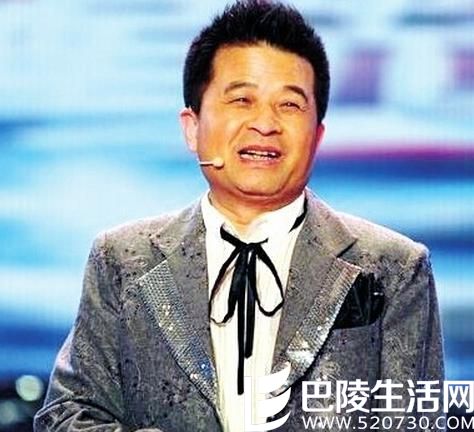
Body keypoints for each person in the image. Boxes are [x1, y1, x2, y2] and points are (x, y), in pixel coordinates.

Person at [34, 1, 444, 431]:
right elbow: (68, 415)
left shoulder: (394, 267)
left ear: (317, 135)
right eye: (242, 100)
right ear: (192, 127)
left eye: (290, 105)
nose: (265, 123)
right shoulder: (122, 259)